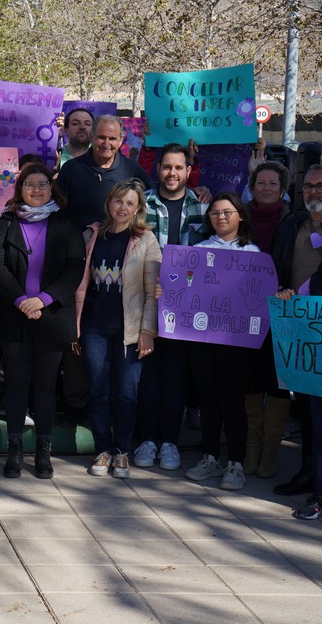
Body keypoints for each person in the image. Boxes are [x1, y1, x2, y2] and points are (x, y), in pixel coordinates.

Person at [0, 162, 84, 478]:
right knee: (16, 385)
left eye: (42, 184)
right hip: (14, 316)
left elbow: (74, 268)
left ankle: (44, 452)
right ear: (20, 189)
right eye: (30, 184)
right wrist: (20, 300)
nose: (37, 189)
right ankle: (14, 451)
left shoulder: (66, 222)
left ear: (51, 187)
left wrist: (42, 300)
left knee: (45, 387)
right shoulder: (6, 221)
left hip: (51, 316)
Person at [75, 179, 161, 479]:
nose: (122, 208)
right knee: (98, 391)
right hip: (94, 326)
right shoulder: (93, 234)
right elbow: (80, 283)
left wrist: (147, 331)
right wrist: (75, 325)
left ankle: (122, 451)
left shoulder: (146, 240)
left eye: (129, 203)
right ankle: (103, 449)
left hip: (130, 329)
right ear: (109, 202)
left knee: (126, 393)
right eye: (118, 201)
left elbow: (153, 292)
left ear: (138, 208)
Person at [133, 143, 208, 473]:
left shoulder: (203, 208)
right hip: (146, 303)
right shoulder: (142, 205)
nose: (172, 173)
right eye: (167, 167)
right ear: (157, 168)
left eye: (179, 168)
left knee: (176, 377)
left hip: (186, 309)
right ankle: (147, 440)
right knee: (148, 375)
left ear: (188, 171)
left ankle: (170, 443)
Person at [182, 192, 260, 491]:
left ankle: (235, 463)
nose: (221, 217)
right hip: (203, 339)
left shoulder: (253, 253)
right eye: (215, 213)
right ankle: (210, 456)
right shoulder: (199, 249)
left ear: (240, 215)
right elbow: (186, 289)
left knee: (232, 400)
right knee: (208, 399)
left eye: (227, 212)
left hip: (236, 342)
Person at [270, 164, 322, 497]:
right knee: (306, 411)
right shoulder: (291, 225)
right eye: (308, 186)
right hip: (297, 329)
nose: (314, 193)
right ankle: (308, 472)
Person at [243, 161, 292, 479]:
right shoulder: (240, 215)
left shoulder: (295, 221)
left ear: (283, 189)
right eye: (261, 182)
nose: (266, 188)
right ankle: (251, 447)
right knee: (248, 379)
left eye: (273, 183)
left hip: (282, 309)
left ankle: (270, 452)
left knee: (277, 381)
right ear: (253, 185)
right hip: (243, 310)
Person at [57, 116, 153, 231]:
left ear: (120, 141)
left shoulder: (131, 169)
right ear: (91, 137)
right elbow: (57, 209)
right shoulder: (71, 169)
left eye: (112, 138)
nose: (106, 143)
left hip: (119, 244)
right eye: (101, 137)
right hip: (78, 244)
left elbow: (151, 199)